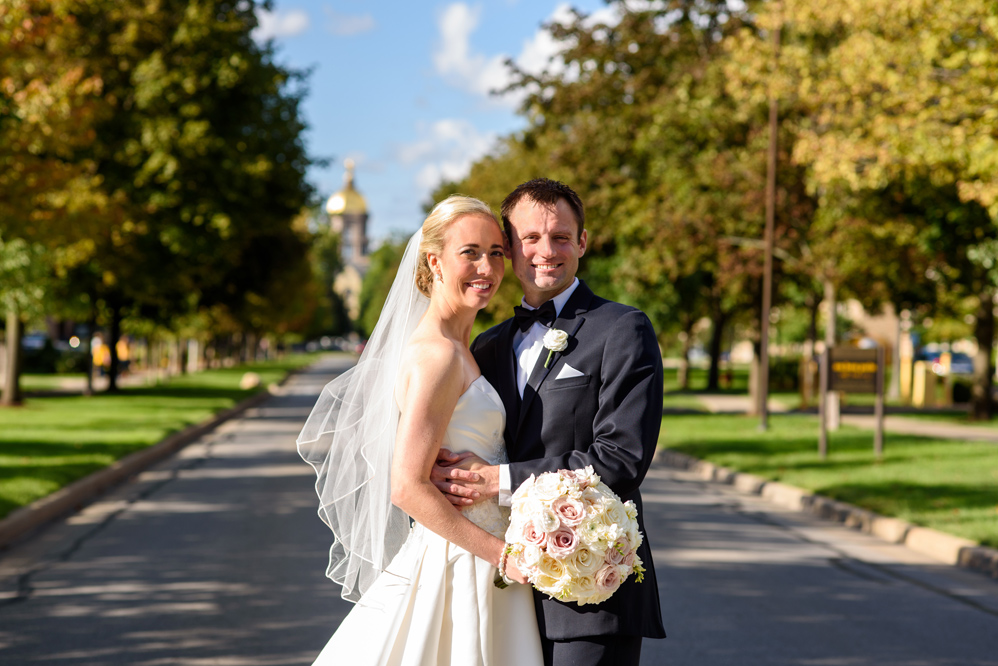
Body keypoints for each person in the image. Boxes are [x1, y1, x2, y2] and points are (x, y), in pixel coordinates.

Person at [298, 195, 544, 666]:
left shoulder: (461, 347)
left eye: (496, 252)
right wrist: (502, 555)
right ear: (434, 260)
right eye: (469, 252)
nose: (487, 267)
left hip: (481, 550)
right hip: (466, 559)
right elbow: (407, 486)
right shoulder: (438, 356)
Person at [433, 178, 666, 666]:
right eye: (529, 238)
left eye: (561, 237)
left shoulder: (623, 329)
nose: (546, 251)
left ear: (582, 242)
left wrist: (498, 481)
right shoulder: (487, 346)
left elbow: (620, 460)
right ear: (508, 250)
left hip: (588, 591)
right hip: (499, 593)